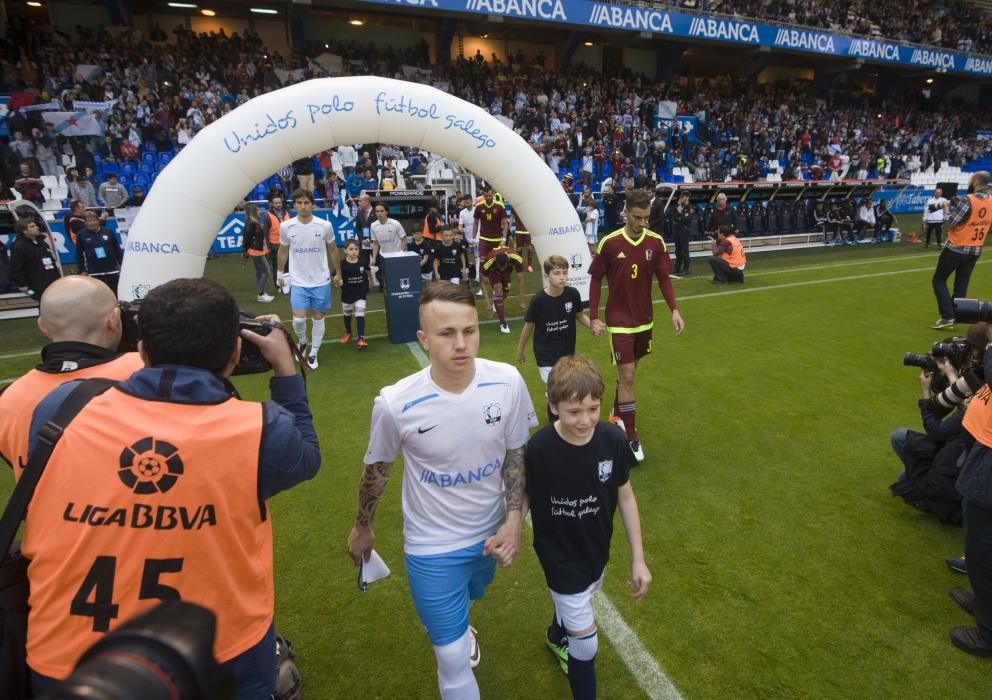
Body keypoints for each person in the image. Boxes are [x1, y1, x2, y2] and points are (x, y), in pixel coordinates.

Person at [22, 278, 319, 698]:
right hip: (218, 655)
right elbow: (306, 457)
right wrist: (286, 369)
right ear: (235, 352)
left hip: (68, 655)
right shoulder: (258, 429)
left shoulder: (61, 406)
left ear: (141, 350)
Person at [347, 281, 536, 700]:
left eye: (469, 330)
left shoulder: (507, 382)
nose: (461, 343)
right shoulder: (396, 403)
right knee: (452, 662)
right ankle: (453, 636)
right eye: (447, 334)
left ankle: (459, 620)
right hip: (432, 547)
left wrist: (513, 522)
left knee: (469, 599)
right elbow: (376, 473)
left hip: (491, 536)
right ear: (424, 339)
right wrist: (363, 528)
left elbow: (516, 454)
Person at [525, 356, 649, 696]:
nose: (584, 420)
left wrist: (638, 558)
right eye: (573, 412)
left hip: (595, 549)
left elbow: (625, 497)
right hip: (559, 558)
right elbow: (521, 494)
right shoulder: (538, 449)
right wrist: (507, 528)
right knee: (586, 646)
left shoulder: (611, 440)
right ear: (553, 406)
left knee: (588, 589)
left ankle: (555, 634)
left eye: (593, 409)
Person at [0, 275, 144, 477]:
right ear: (113, 319)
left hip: (42, 508)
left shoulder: (7, 399)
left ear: (42, 326)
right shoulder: (143, 373)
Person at [588, 188, 685, 462]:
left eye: (646, 218)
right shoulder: (609, 243)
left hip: (644, 320)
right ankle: (631, 436)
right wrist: (594, 315)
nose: (643, 223)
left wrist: (674, 310)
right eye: (637, 217)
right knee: (627, 376)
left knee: (630, 374)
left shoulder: (656, 243)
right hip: (618, 322)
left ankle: (618, 413)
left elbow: (664, 278)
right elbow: (596, 279)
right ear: (626, 213)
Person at [950, 321, 992, 657]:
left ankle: (988, 634)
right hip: (984, 449)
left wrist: (991, 345)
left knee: (983, 549)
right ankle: (982, 603)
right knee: (979, 545)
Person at [516, 255, 591, 421]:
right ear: (546, 277)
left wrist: (593, 325)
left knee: (565, 388)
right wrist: (520, 350)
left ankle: (559, 412)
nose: (562, 277)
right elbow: (528, 326)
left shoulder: (572, 294)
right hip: (546, 355)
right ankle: (555, 424)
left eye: (565, 272)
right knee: (558, 389)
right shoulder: (539, 301)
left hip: (567, 352)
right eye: (557, 273)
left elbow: (579, 316)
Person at [276, 188, 342, 371]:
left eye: (306, 203)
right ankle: (303, 341)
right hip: (298, 282)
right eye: (299, 203)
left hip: (321, 281)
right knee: (298, 320)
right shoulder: (286, 226)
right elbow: (282, 250)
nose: (303, 207)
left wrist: (338, 273)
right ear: (294, 204)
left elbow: (333, 249)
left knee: (318, 317)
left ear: (312, 204)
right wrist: (279, 274)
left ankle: (314, 351)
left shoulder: (324, 226)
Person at [932, 171, 992, 330]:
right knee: (961, 284)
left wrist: (946, 210)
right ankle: (959, 314)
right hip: (975, 248)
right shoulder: (991, 200)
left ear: (975, 181)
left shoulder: (968, 200)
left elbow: (950, 223)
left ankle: (948, 315)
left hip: (957, 246)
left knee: (938, 280)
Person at [10, 218, 61, 301]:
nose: (37, 228)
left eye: (36, 225)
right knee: (42, 303)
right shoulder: (18, 246)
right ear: (24, 231)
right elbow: (16, 268)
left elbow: (51, 261)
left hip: (52, 282)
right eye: (32, 226)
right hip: (35, 285)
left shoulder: (42, 243)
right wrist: (23, 285)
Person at [75, 210, 124, 295]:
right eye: (89, 221)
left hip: (112, 269)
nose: (92, 223)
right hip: (94, 271)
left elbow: (117, 249)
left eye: (94, 220)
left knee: (116, 292)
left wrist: (122, 263)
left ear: (98, 220)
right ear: (85, 223)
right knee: (99, 294)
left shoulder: (108, 231)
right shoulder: (81, 235)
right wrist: (82, 270)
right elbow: (79, 254)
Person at [481, 246, 526, 334]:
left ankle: (496, 303)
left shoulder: (517, 259)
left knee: (504, 294)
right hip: (494, 272)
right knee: (498, 290)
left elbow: (520, 279)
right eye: (499, 266)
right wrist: (487, 303)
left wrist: (522, 301)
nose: (501, 268)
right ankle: (503, 323)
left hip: (507, 274)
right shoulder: (489, 260)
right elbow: (483, 282)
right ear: (496, 262)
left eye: (503, 266)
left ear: (508, 262)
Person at [339, 239, 369, 350]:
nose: (354, 251)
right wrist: (338, 280)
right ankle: (348, 332)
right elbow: (335, 277)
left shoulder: (362, 261)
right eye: (351, 249)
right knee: (347, 314)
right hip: (347, 294)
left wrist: (369, 279)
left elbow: (366, 271)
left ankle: (361, 338)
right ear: (345, 251)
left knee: (360, 314)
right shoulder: (342, 264)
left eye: (356, 249)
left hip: (360, 293)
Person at [370, 200, 407, 289]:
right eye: (377, 211)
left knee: (398, 278)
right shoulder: (373, 225)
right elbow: (375, 243)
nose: (379, 213)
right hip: (383, 256)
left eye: (382, 211)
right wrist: (374, 257)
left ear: (386, 212)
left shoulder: (395, 223)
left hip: (397, 256)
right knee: (384, 278)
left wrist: (401, 252)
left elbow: (404, 239)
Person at [242, 202, 274, 302]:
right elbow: (246, 238)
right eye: (257, 210)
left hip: (257, 249)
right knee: (266, 272)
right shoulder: (251, 222)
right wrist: (245, 251)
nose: (259, 211)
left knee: (260, 272)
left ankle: (262, 293)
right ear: (253, 211)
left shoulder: (253, 221)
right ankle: (260, 294)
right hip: (255, 251)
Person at [473, 188, 508, 264]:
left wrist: (504, 239)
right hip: (484, 239)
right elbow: (475, 223)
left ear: (493, 195)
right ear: (483, 196)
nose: (488, 197)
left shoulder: (500, 206)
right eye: (486, 196)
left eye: (490, 195)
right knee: (483, 263)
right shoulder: (479, 206)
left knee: (497, 263)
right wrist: (474, 239)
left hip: (497, 240)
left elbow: (505, 224)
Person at [265, 190, 291, 293]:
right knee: (277, 267)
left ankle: (288, 284)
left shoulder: (286, 212)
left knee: (288, 265)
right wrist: (268, 247)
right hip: (275, 245)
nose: (278, 204)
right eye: (276, 203)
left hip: (287, 244)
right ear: (271, 204)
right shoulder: (267, 215)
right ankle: (279, 287)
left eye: (279, 202)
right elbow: (265, 233)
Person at [670, 192, 694, 276]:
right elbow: (673, 216)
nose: (680, 198)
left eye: (682, 197)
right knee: (678, 251)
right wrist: (679, 212)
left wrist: (680, 214)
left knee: (684, 251)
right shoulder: (679, 206)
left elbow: (686, 219)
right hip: (677, 230)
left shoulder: (690, 207)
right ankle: (677, 267)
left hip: (685, 231)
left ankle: (686, 269)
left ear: (687, 198)